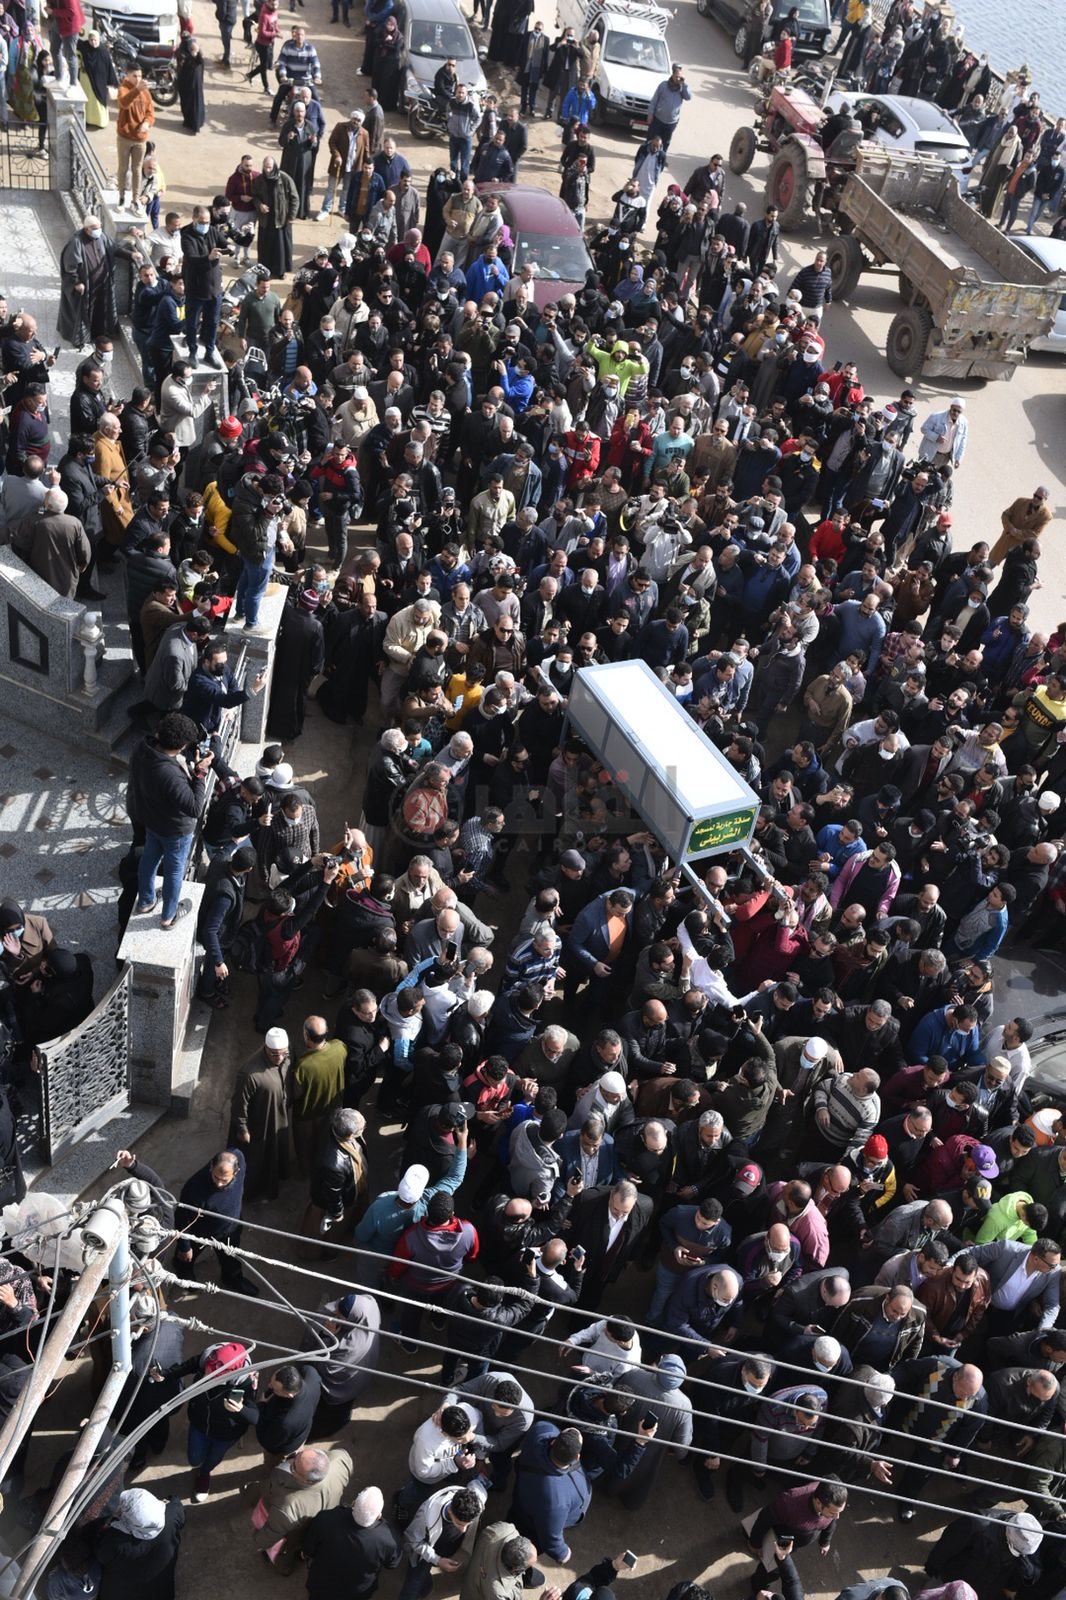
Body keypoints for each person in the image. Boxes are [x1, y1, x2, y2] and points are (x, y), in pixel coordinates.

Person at [126, 711, 210, 928]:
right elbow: (194, 807)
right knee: (174, 869)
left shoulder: (141, 748)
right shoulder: (169, 774)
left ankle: (145, 901)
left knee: (150, 858)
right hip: (174, 829)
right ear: (182, 746)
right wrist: (200, 773)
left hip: (151, 819)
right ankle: (169, 916)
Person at [303, 1486, 403, 1600]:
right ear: (379, 1515)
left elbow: (309, 1548)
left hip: (320, 1587)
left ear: (353, 1503)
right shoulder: (390, 1540)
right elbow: (392, 1564)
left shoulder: (326, 1518)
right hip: (356, 1594)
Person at [228, 1027, 292, 1200]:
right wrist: (242, 1129)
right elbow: (239, 1103)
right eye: (274, 1054)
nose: (279, 1058)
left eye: (283, 1053)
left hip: (278, 1117)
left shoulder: (286, 1058)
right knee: (256, 1161)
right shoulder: (250, 1073)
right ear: (265, 1048)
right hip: (259, 1123)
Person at [96, 1489, 185, 1600]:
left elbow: (101, 1557)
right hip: (161, 1593)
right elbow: (177, 1504)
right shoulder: (172, 1514)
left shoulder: (114, 1541)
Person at [175, 34, 205, 132]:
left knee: (188, 103)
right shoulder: (192, 51)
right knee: (195, 102)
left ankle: (191, 123)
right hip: (194, 83)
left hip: (188, 82)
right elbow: (200, 62)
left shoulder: (182, 51)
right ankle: (195, 123)